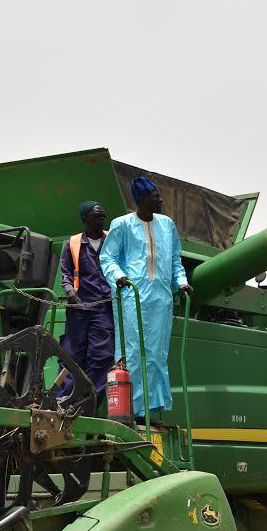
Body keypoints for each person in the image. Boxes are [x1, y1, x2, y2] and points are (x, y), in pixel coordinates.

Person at [99, 176, 193, 419]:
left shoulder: (167, 225)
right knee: (134, 351)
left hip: (161, 299)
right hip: (133, 296)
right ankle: (131, 410)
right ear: (142, 199)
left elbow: (174, 259)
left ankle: (151, 410)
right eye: (155, 196)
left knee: (157, 354)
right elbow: (107, 257)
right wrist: (119, 276)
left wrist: (181, 282)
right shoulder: (122, 224)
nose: (160, 200)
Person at [59, 201, 115, 398]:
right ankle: (64, 399)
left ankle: (88, 399)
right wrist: (69, 291)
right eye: (97, 216)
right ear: (85, 219)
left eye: (103, 215)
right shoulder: (72, 243)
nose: (102, 219)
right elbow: (65, 273)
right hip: (79, 309)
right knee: (71, 356)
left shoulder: (112, 240)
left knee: (102, 356)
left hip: (104, 308)